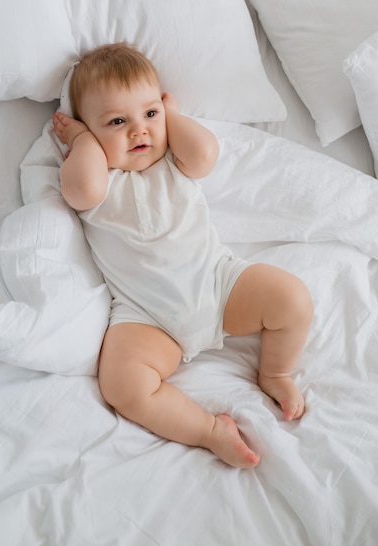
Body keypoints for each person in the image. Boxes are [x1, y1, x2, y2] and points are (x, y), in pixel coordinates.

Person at [52, 42, 313, 468]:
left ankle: (275, 373)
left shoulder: (173, 161)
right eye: (117, 121)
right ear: (89, 130)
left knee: (292, 299)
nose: (139, 131)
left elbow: (206, 155)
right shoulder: (100, 181)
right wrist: (81, 142)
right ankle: (210, 430)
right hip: (148, 317)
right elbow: (80, 190)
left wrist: (170, 116)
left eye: (149, 114)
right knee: (123, 387)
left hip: (218, 283)